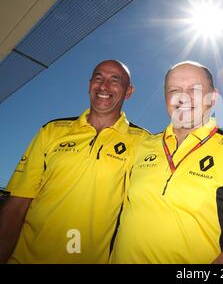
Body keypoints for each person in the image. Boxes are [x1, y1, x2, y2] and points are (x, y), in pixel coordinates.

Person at [110, 61, 223, 264]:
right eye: (174, 90)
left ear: (213, 98)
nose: (183, 97)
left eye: (195, 89)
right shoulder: (140, 146)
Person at [0, 60, 150, 263]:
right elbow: (17, 203)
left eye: (115, 80)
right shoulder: (52, 131)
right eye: (98, 78)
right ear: (90, 85)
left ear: (128, 91)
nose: (104, 86)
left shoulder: (144, 142)